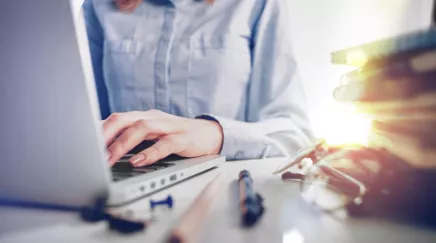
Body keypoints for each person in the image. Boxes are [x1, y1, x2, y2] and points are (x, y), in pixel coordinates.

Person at [83, 0, 314, 167]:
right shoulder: (97, 8)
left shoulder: (258, 4)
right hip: (127, 180)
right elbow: (84, 125)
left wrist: (217, 135)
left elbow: (295, 135)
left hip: (226, 192)